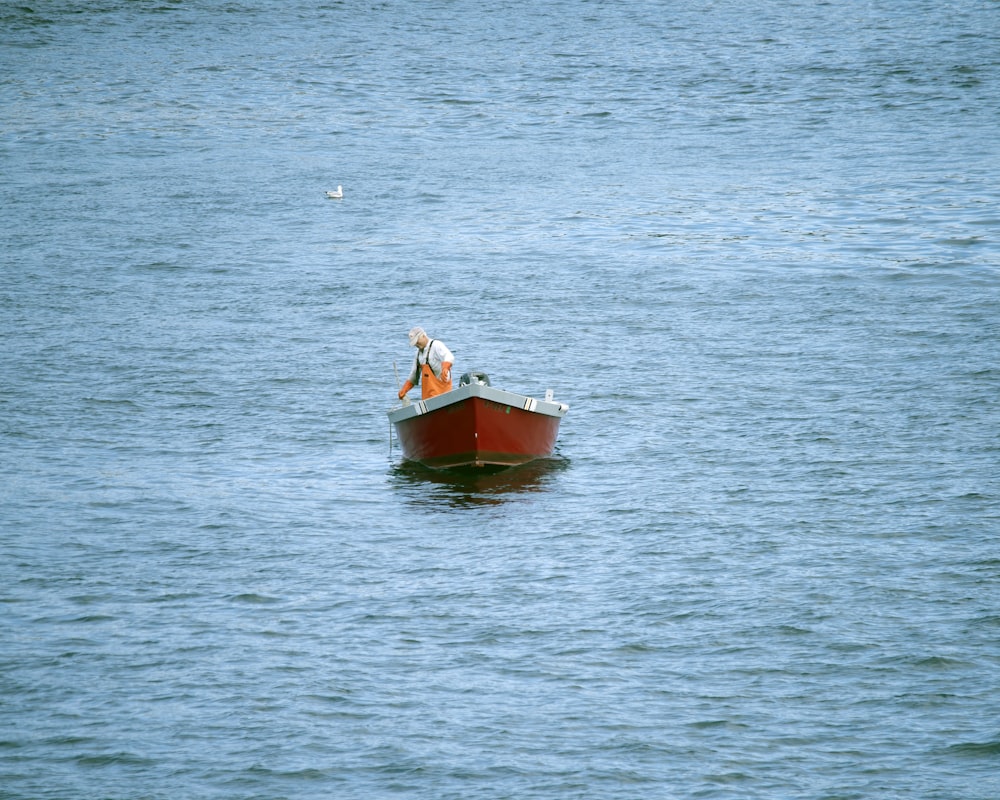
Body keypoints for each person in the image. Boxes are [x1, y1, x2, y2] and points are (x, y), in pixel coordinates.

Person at [398, 327, 454, 400]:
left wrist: (445, 368)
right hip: (427, 399)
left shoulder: (436, 345)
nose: (416, 344)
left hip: (444, 396)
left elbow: (449, 356)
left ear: (423, 336)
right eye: (414, 343)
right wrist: (404, 390)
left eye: (417, 341)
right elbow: (413, 376)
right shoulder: (418, 354)